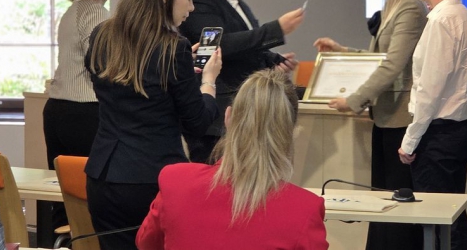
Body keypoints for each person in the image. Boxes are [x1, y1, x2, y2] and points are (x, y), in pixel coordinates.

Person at [85, 0, 222, 250]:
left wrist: (182, 69)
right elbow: (197, 123)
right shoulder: (174, 48)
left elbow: (123, 89)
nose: (191, 8)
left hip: (103, 177)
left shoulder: (101, 35)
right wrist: (208, 82)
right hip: (152, 178)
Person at [313, 0, 426, 250]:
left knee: (397, 206)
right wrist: (342, 51)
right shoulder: (394, 7)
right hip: (385, 119)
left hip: (401, 121)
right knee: (383, 201)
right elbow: (379, 59)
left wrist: (353, 101)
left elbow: (392, 65)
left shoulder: (410, 9)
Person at [136, 69, 328, 250]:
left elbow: (146, 243)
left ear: (228, 117)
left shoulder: (175, 181)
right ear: (291, 131)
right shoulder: (305, 210)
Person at [179, 0, 305, 163]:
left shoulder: (237, 3)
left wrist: (272, 60)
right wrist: (275, 29)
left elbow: (245, 47)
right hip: (215, 117)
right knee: (214, 177)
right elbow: (217, 45)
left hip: (240, 110)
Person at [398, 0, 467, 250]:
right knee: (453, 215)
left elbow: (429, 90)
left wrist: (410, 141)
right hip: (460, 130)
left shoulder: (440, 22)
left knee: (435, 220)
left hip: (438, 134)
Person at [42, 0, 118, 233]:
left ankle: (61, 243)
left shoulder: (71, 12)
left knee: (63, 192)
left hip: (56, 110)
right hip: (85, 111)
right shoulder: (96, 13)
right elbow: (101, 62)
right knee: (91, 189)